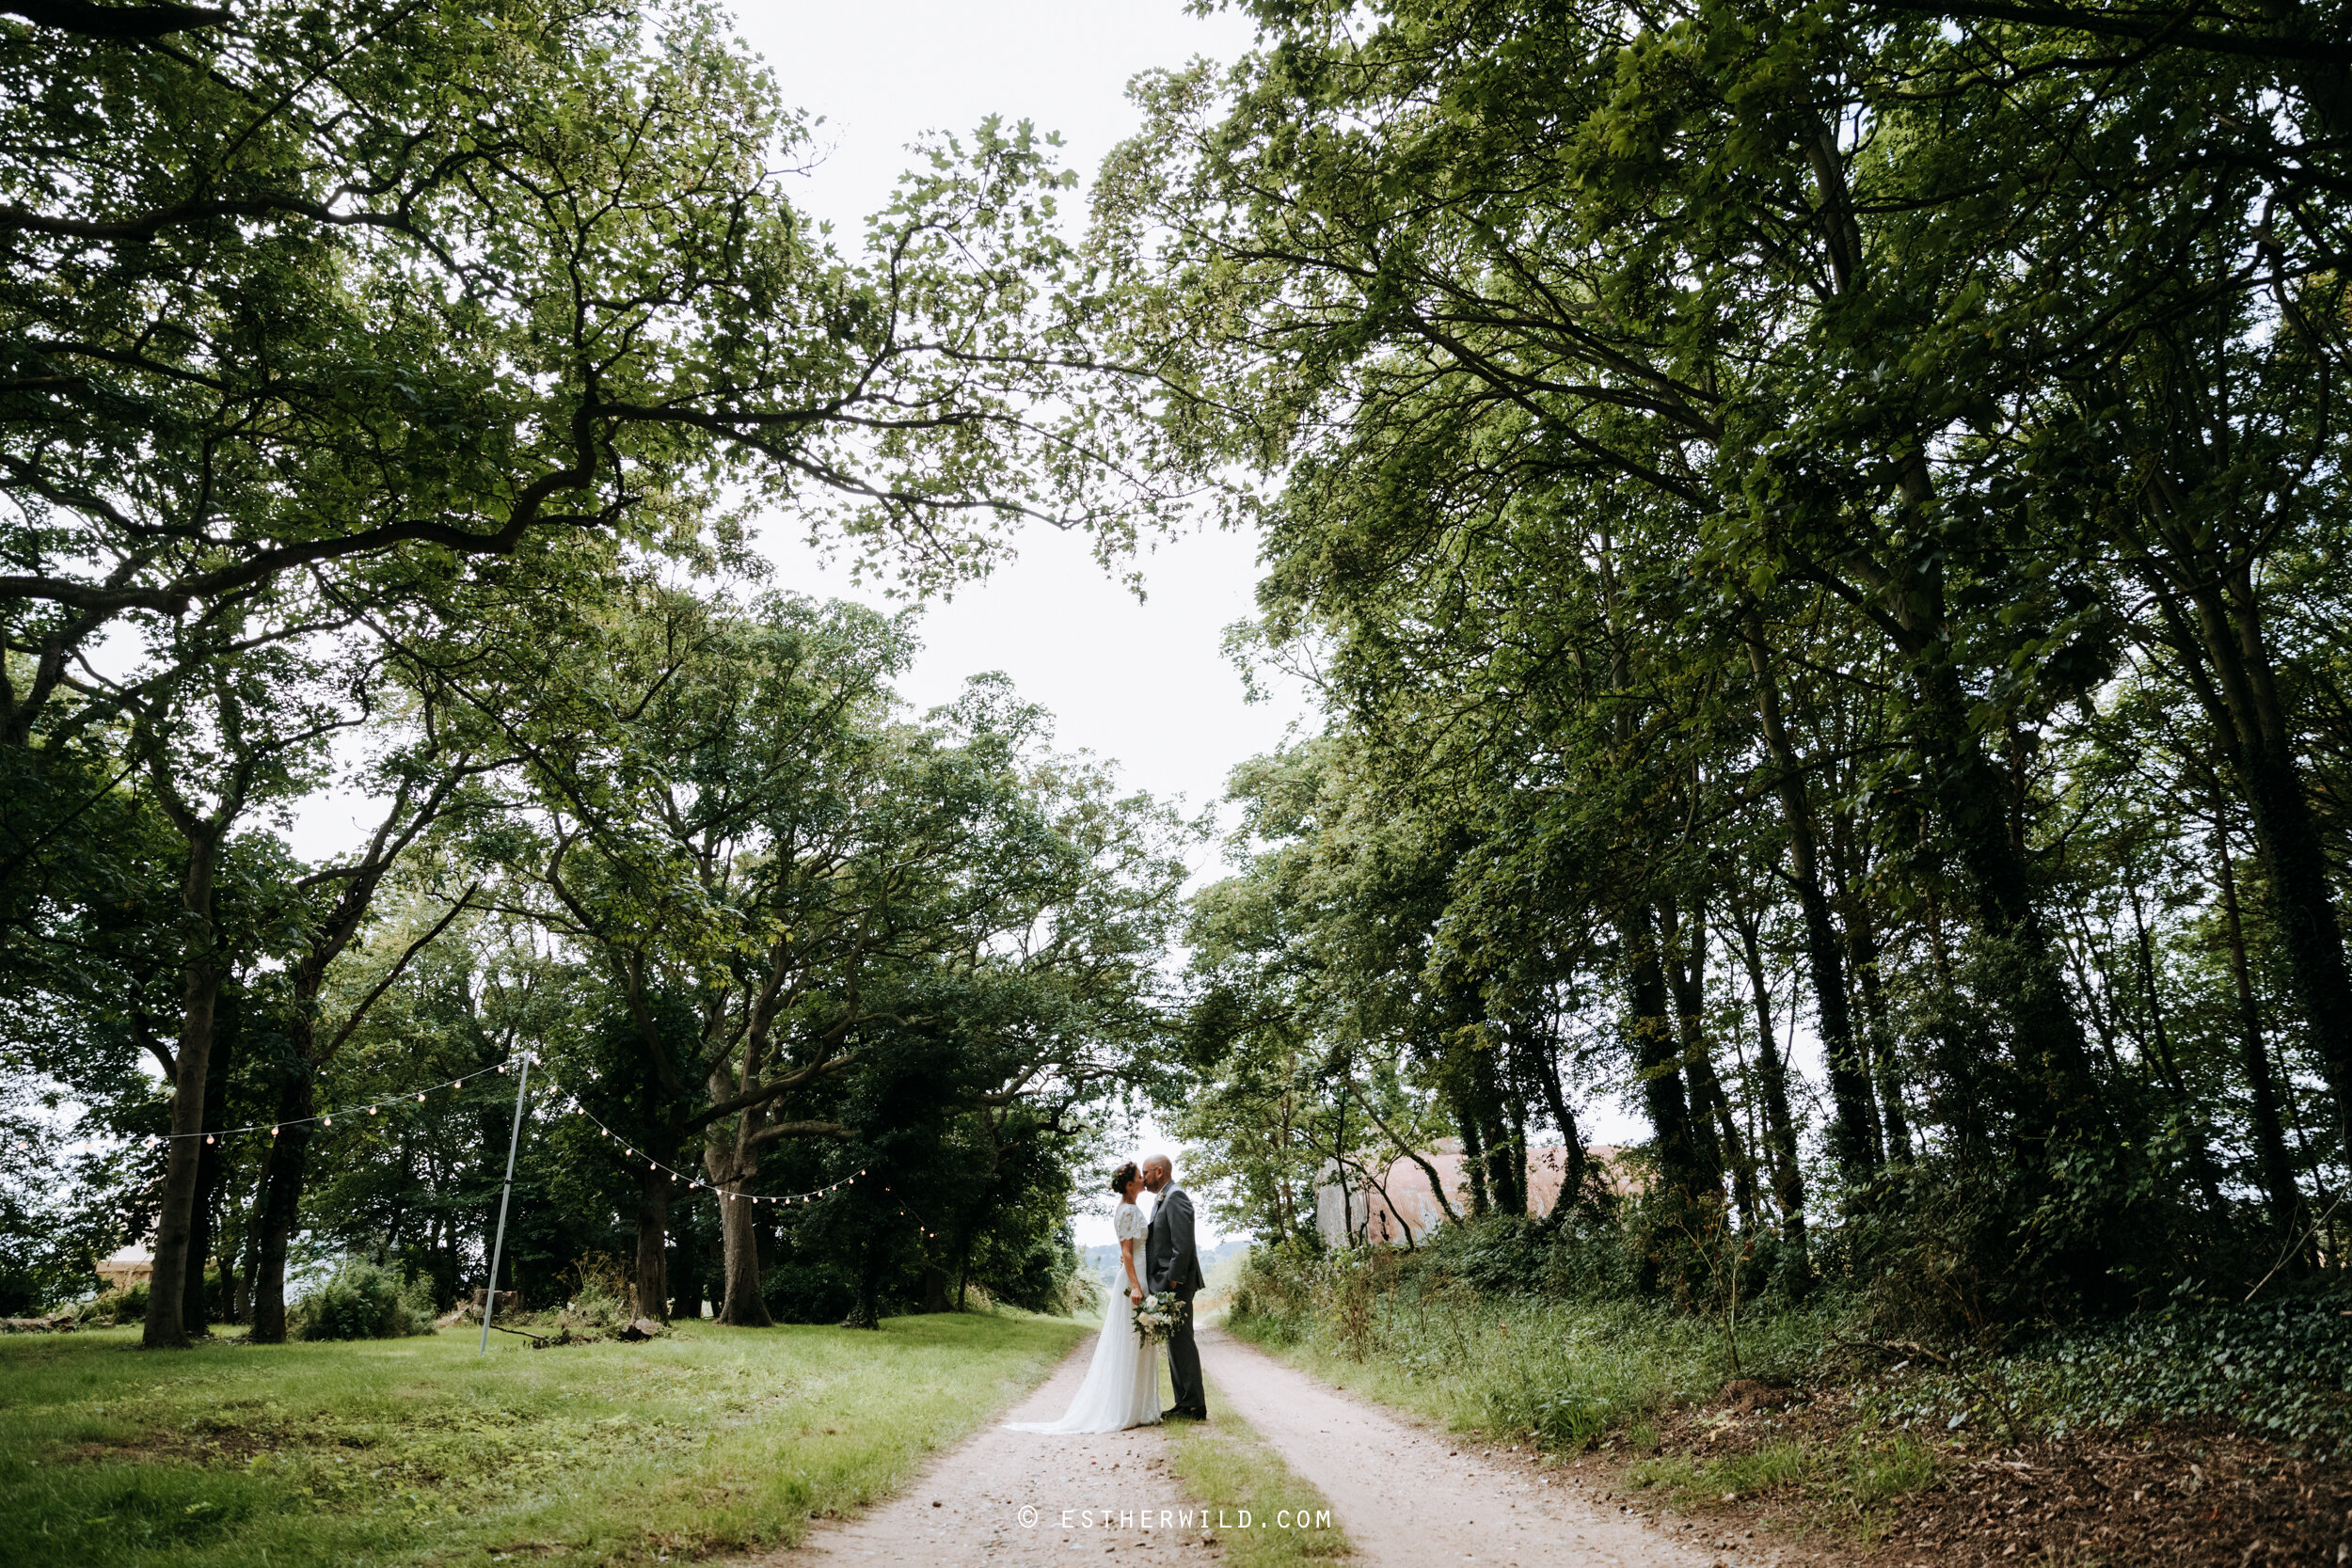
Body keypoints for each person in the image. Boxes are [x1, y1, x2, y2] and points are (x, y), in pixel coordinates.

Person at [1003, 1160, 1162, 1433]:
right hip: (1133, 1280)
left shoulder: (1134, 1208)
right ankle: (1125, 1409)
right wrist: (1136, 1287)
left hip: (1141, 1276)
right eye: (1139, 1176)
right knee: (1131, 1339)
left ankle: (1140, 1407)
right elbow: (1126, 1253)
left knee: (1141, 1340)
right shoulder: (1126, 1211)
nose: (1143, 1179)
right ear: (1129, 1185)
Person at [1141, 1152, 1206, 1419]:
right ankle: (1183, 1403)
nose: (1143, 1178)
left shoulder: (1176, 1196)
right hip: (1168, 1282)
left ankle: (1194, 1406)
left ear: (1159, 1172)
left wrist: (1173, 1280)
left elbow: (1183, 1245)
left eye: (1146, 1172)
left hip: (1176, 1283)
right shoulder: (1162, 1198)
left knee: (1182, 1342)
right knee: (1174, 1343)